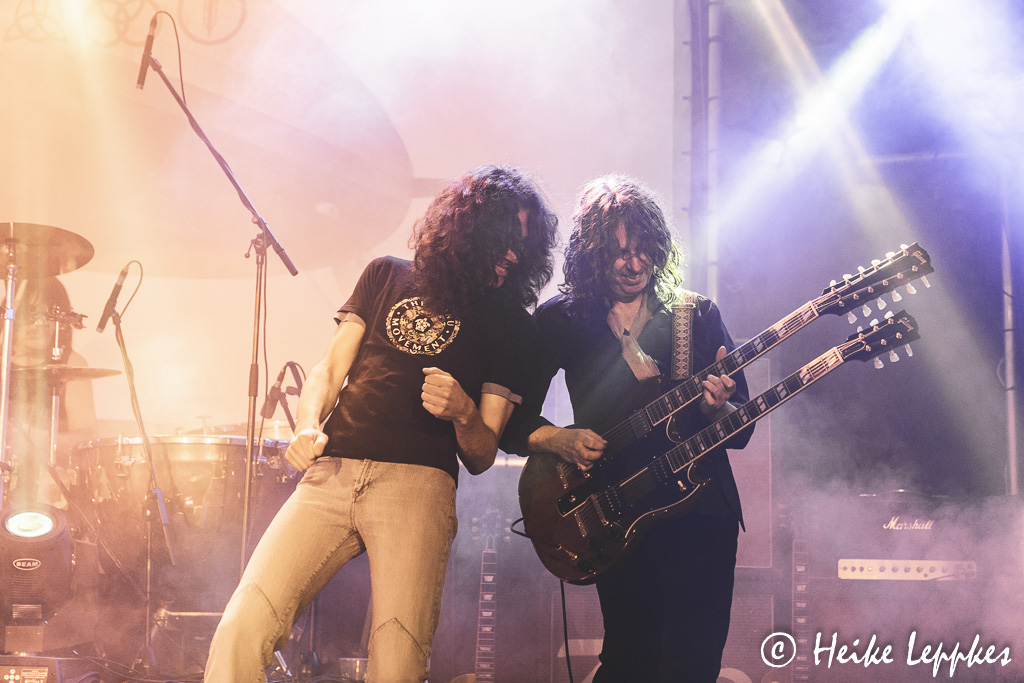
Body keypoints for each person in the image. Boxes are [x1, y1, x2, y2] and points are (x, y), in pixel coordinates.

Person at [204, 164, 558, 683]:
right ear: (471, 227)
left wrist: (463, 411)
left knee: (397, 663)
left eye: (524, 244)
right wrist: (306, 425)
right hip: (332, 472)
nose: (513, 253)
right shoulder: (386, 273)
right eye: (506, 236)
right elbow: (329, 370)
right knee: (242, 624)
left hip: (418, 487)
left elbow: (482, 455)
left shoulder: (514, 328)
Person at [503, 175, 752, 682]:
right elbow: (513, 423)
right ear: (591, 255)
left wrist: (717, 408)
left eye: (643, 250)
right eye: (618, 253)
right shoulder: (563, 319)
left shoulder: (695, 314)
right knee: (629, 660)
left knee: (694, 665)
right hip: (618, 513)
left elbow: (741, 427)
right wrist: (560, 439)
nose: (633, 264)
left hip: (702, 512)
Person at [5, 276, 97, 509]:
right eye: (29, 314)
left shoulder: (72, 363)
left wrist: (41, 439)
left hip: (50, 486)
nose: (37, 324)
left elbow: (86, 434)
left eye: (46, 316)